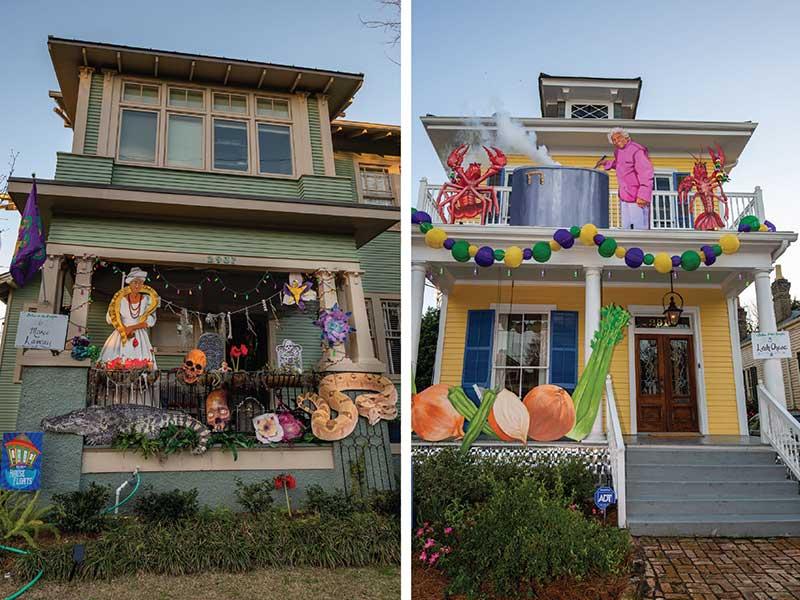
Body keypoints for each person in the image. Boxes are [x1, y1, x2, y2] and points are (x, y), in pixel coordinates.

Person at [594, 127, 654, 229]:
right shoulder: (618, 152)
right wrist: (607, 163)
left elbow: (646, 172)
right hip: (624, 196)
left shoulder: (637, 150)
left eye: (619, 138)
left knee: (639, 229)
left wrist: (643, 195)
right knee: (626, 228)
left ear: (626, 137)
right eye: (614, 140)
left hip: (637, 197)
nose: (617, 141)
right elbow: (620, 164)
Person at [100, 267, 159, 368]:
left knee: (141, 362)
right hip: (121, 332)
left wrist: (132, 328)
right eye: (134, 282)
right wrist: (123, 328)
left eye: (140, 282)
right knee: (114, 361)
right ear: (129, 283)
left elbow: (150, 321)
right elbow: (111, 318)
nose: (137, 285)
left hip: (139, 334)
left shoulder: (147, 300)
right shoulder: (120, 299)